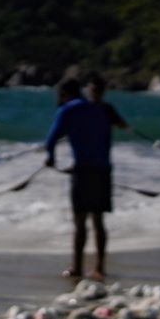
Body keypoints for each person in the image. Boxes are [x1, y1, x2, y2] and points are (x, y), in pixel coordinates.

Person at [45, 77, 115, 282]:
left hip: (83, 171)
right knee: (99, 220)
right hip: (103, 170)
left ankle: (77, 267)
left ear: (64, 93)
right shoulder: (100, 109)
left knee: (80, 221)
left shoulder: (67, 110)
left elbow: (51, 139)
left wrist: (51, 158)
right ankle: (100, 267)